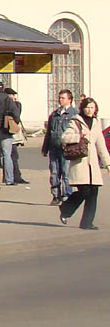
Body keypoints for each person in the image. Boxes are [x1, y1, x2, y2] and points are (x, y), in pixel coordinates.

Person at [58, 97, 110, 230]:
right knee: (84, 191)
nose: (90, 110)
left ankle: (87, 223)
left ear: (95, 109)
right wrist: (80, 136)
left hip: (93, 164)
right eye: (87, 107)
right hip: (80, 162)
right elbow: (64, 137)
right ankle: (65, 209)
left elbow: (101, 145)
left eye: (92, 107)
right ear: (83, 108)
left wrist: (107, 163)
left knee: (93, 194)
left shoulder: (96, 122)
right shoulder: (76, 121)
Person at [41, 89, 77, 205]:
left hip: (67, 149)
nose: (60, 100)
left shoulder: (74, 114)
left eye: (63, 98)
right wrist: (45, 148)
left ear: (69, 100)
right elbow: (49, 133)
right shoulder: (55, 114)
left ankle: (67, 195)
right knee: (54, 173)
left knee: (66, 173)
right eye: (60, 98)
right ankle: (56, 195)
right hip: (54, 148)